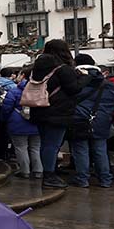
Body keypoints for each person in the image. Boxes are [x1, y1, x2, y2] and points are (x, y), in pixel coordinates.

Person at [27, 40, 81, 189]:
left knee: (46, 144)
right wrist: (84, 78)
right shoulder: (63, 69)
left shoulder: (37, 68)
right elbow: (74, 89)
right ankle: (49, 176)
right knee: (52, 144)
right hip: (58, 112)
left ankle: (49, 172)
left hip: (39, 109)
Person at [68, 54, 114, 188]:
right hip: (101, 120)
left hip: (80, 119)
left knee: (80, 149)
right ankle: (105, 180)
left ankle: (82, 179)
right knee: (100, 149)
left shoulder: (77, 81)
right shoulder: (108, 84)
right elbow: (111, 104)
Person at [1, 67, 42, 179]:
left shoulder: (15, 91)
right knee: (35, 148)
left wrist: (5, 119)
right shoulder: (41, 90)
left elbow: (6, 108)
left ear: (23, 76)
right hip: (36, 122)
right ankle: (38, 170)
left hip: (17, 123)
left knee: (21, 147)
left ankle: (25, 171)